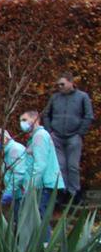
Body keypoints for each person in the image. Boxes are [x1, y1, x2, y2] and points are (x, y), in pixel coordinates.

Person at [42, 74, 92, 203]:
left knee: (73, 166)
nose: (60, 87)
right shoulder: (55, 98)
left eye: (62, 84)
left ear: (71, 83)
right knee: (60, 166)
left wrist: (80, 133)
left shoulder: (82, 97)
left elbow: (88, 116)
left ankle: (74, 193)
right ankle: (62, 192)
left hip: (73, 136)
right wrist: (49, 131)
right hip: (57, 136)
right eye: (58, 85)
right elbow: (46, 114)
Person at [20, 109, 63, 217]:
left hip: (43, 183)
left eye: (24, 119)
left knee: (39, 217)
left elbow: (40, 164)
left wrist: (32, 185)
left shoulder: (39, 136)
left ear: (35, 119)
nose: (22, 123)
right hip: (43, 182)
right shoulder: (36, 136)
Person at [0, 128, 29, 211]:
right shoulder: (7, 151)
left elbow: (18, 174)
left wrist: (9, 191)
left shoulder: (15, 150)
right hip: (17, 192)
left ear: (5, 138)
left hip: (21, 192)